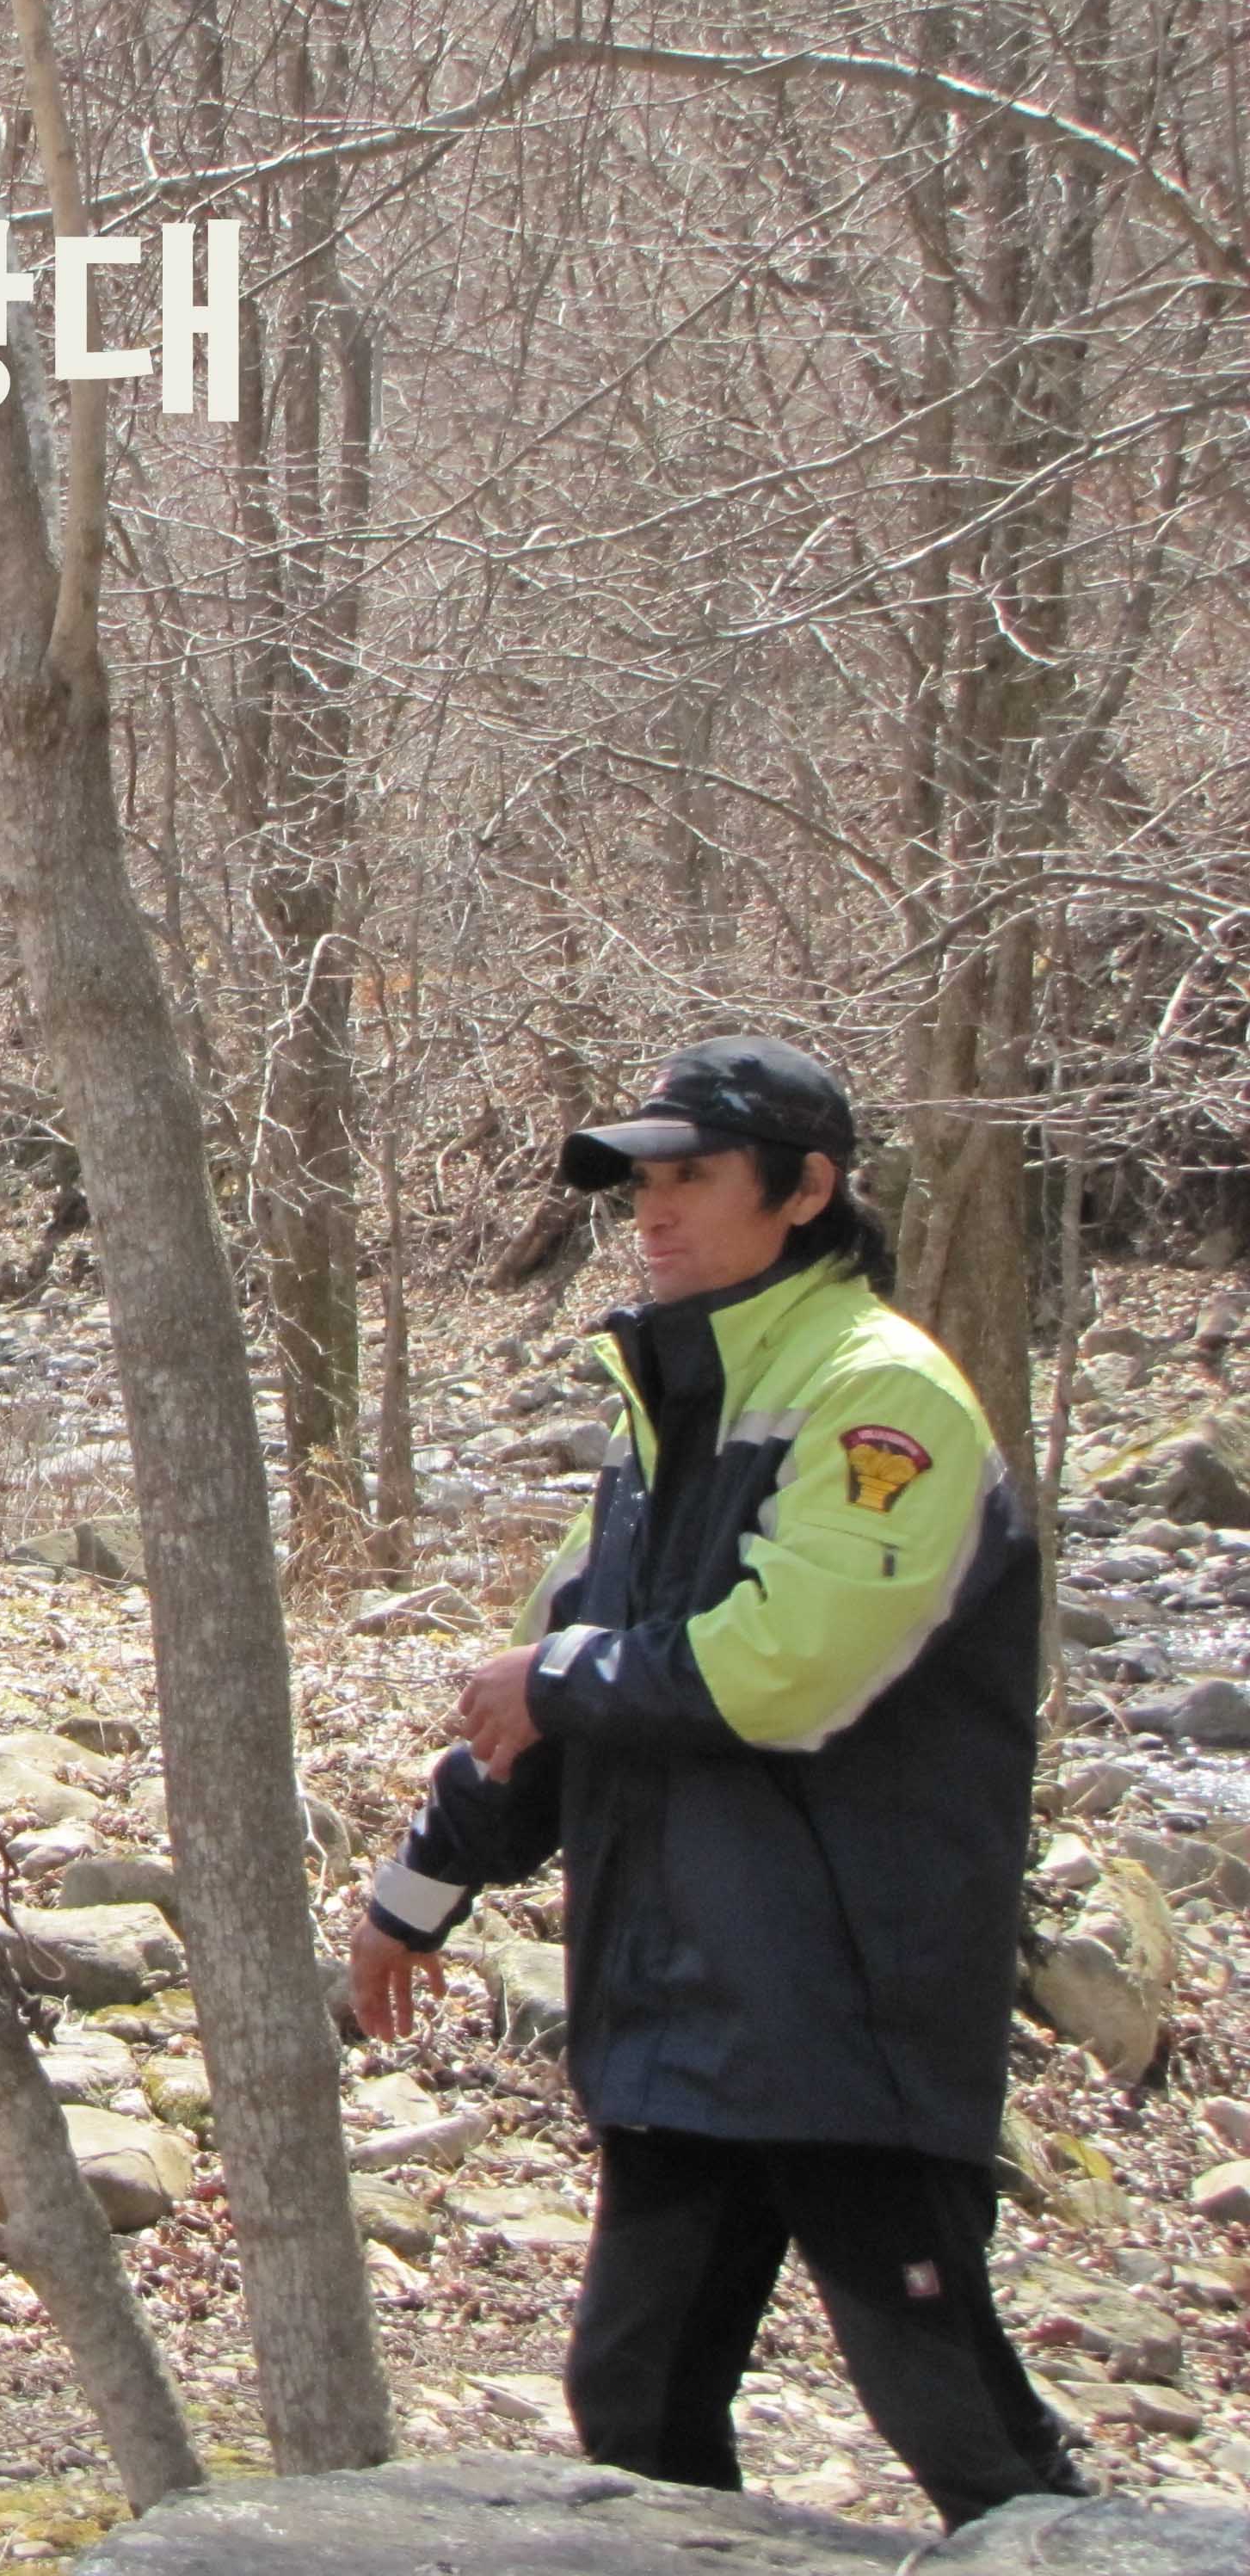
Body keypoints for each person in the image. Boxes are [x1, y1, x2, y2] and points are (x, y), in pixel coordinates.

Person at [349, 1035, 1081, 2529]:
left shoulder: (884, 1395)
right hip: (681, 2019)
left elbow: (789, 1667)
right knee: (635, 2406)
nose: (655, 1211)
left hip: (845, 2024)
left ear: (807, 1191)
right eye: (642, 1184)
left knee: (960, 2427)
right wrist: (417, 1890)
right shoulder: (666, 1411)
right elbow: (553, 1701)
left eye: (693, 1177)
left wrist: (558, 1681)